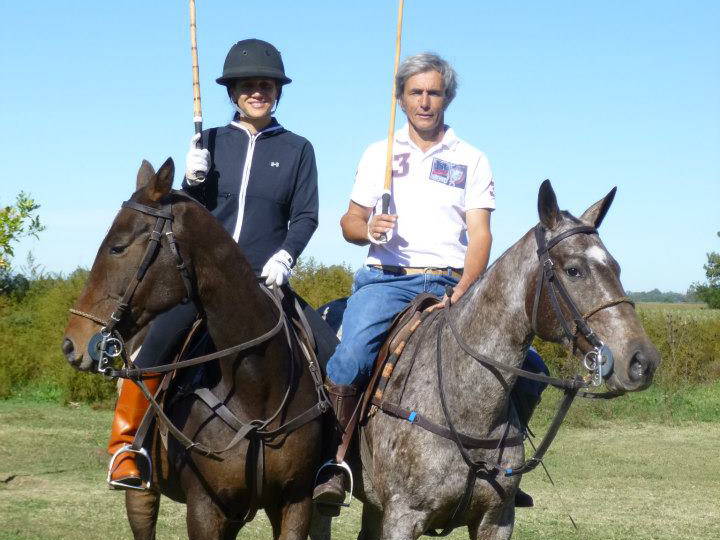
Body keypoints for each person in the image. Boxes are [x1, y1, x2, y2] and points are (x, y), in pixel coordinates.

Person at [314, 52, 532, 514]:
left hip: (454, 281)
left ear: (447, 97)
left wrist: (463, 289)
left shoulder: (470, 158)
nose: (425, 101)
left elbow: (481, 235)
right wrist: (368, 227)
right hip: (388, 280)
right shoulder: (380, 153)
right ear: (400, 99)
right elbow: (348, 223)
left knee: (530, 367)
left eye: (434, 92)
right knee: (349, 357)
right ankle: (335, 463)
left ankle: (503, 470)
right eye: (416, 92)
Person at [108, 38, 319, 489]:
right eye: (247, 86)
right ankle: (126, 448)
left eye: (265, 84)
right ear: (233, 93)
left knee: (328, 352)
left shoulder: (299, 149)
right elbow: (189, 215)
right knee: (153, 346)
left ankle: (329, 461)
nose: (257, 92)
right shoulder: (211, 142)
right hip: (205, 284)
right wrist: (192, 180)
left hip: (267, 280)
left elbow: (305, 216)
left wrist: (286, 255)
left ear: (277, 91)